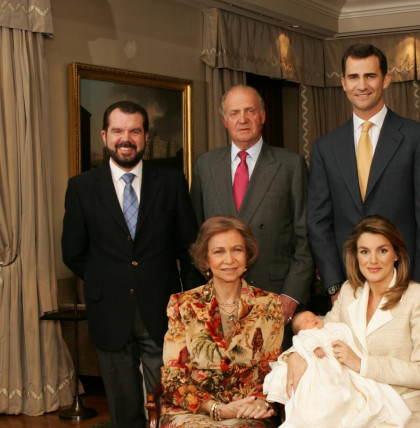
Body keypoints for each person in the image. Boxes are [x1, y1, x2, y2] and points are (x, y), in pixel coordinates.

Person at [61, 101, 198, 427]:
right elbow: (73, 252)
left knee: (166, 407)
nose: (127, 138)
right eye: (119, 130)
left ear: (145, 136)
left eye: (134, 131)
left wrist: (187, 303)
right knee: (124, 413)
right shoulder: (81, 188)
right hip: (109, 312)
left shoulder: (171, 182)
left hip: (163, 312)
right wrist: (107, 282)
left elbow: (190, 248)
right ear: (104, 135)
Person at [307, 43, 420, 302]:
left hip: (404, 283)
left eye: (370, 76)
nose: (362, 85)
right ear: (343, 83)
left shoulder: (417, 138)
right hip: (349, 287)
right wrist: (335, 287)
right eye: (354, 77)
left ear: (386, 79)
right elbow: (318, 222)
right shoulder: (325, 147)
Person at [286, 215, 420, 427]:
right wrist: (296, 354)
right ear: (356, 256)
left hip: (406, 410)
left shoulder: (419, 297)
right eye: (364, 252)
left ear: (396, 254)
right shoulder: (350, 292)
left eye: (383, 250)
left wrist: (362, 364)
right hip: (357, 407)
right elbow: (320, 332)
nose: (373, 260)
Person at [190, 84, 313, 337]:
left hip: (275, 300)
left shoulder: (291, 165)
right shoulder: (205, 165)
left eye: (250, 111)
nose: (242, 119)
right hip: (219, 303)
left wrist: (291, 295)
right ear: (225, 120)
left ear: (263, 116)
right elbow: (196, 236)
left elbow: (306, 239)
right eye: (234, 113)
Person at [160, 215, 284, 427]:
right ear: (206, 259)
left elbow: (271, 371)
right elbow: (173, 379)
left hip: (246, 412)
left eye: (237, 250)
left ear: (247, 255)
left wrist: (261, 403)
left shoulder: (269, 305)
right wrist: (218, 409)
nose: (229, 259)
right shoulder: (183, 305)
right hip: (193, 412)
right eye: (219, 251)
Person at [263, 310, 412, 428]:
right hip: (323, 366)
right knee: (328, 391)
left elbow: (342, 332)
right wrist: (310, 349)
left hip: (344, 363)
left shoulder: (330, 327)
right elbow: (302, 341)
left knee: (356, 391)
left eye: (313, 316)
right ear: (300, 330)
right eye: (306, 321)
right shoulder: (307, 335)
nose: (312, 319)